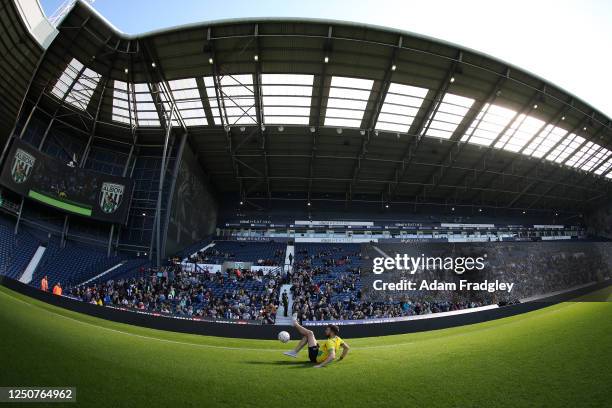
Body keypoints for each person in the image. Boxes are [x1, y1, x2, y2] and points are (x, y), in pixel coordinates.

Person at [283, 318, 349, 368]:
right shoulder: (338, 338)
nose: (325, 331)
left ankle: (295, 324)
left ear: (332, 332)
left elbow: (332, 356)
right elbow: (347, 348)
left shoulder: (330, 342)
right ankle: (294, 351)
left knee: (310, 333)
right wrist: (341, 358)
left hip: (315, 356)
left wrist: (320, 365)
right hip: (318, 351)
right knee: (307, 336)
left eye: (327, 330)